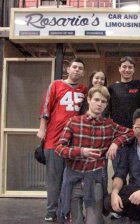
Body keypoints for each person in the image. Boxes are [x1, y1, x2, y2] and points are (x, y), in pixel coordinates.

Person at [55, 86, 134, 224]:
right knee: (76, 220)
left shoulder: (108, 124)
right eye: (96, 100)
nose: (99, 104)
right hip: (73, 179)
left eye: (103, 101)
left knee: (94, 221)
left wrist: (116, 142)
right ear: (89, 99)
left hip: (94, 180)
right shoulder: (74, 122)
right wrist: (81, 152)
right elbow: (59, 148)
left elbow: (132, 132)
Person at [37, 58, 87, 222]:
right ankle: (51, 210)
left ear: (83, 72)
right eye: (74, 67)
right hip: (53, 139)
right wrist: (42, 128)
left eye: (80, 68)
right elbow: (46, 108)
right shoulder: (56, 85)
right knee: (54, 179)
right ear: (68, 69)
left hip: (73, 143)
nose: (77, 70)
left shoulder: (84, 90)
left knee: (70, 180)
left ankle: (67, 210)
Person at [107, 56, 140, 129]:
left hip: (136, 128)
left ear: (134, 70)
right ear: (119, 69)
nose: (127, 70)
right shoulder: (112, 88)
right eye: (124, 67)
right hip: (117, 129)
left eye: (130, 67)